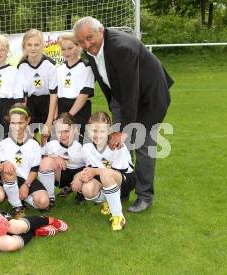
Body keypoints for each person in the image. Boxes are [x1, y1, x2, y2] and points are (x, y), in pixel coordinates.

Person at [73, 17, 174, 212]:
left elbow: (131, 91)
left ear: (100, 30)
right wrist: (114, 109)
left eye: (89, 38)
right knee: (120, 146)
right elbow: (107, 83)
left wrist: (125, 130)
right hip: (122, 97)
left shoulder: (121, 48)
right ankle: (123, 187)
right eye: (81, 42)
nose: (86, 45)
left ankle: (144, 195)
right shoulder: (91, 50)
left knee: (143, 145)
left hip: (149, 98)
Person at [71, 112, 136, 231]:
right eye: (93, 130)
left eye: (102, 131)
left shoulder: (116, 145)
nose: (97, 135)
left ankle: (118, 216)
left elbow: (114, 171)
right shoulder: (87, 148)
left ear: (109, 130)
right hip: (104, 179)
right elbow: (88, 169)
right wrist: (79, 177)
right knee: (88, 190)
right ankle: (108, 203)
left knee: (105, 173)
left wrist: (95, 171)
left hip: (125, 180)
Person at [0, 104, 51, 217]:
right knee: (8, 170)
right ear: (9, 122)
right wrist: (4, 162)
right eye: (13, 123)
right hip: (9, 178)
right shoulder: (3, 143)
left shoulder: (34, 144)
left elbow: (35, 168)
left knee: (43, 202)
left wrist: (26, 185)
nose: (17, 127)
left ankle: (18, 196)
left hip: (28, 179)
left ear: (28, 121)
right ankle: (18, 206)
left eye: (20, 123)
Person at [17, 29, 58, 144]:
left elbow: (54, 94)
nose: (33, 48)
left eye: (36, 44)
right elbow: (23, 96)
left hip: (48, 103)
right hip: (30, 105)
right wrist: (23, 118)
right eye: (29, 45)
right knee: (30, 141)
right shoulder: (22, 66)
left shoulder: (50, 65)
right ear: (24, 46)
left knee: (47, 139)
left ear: (42, 46)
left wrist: (49, 121)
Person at [40, 113, 87, 204]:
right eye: (59, 131)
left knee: (87, 186)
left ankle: (81, 192)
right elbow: (42, 156)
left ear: (75, 129)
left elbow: (93, 166)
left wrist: (80, 177)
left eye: (66, 131)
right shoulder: (51, 142)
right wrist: (54, 156)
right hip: (61, 173)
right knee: (46, 162)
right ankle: (50, 197)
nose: (62, 135)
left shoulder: (84, 144)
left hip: (79, 172)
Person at [57, 32, 95, 137]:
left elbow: (84, 94)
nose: (66, 52)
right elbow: (55, 95)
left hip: (79, 110)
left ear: (78, 47)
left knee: (78, 141)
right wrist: (57, 117)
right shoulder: (59, 69)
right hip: (62, 109)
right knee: (60, 142)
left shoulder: (86, 67)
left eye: (70, 48)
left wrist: (69, 116)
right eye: (63, 49)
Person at [0, 34, 25, 137]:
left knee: (7, 140)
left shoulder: (14, 71)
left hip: (8, 109)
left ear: (7, 51)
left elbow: (19, 99)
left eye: (2, 50)